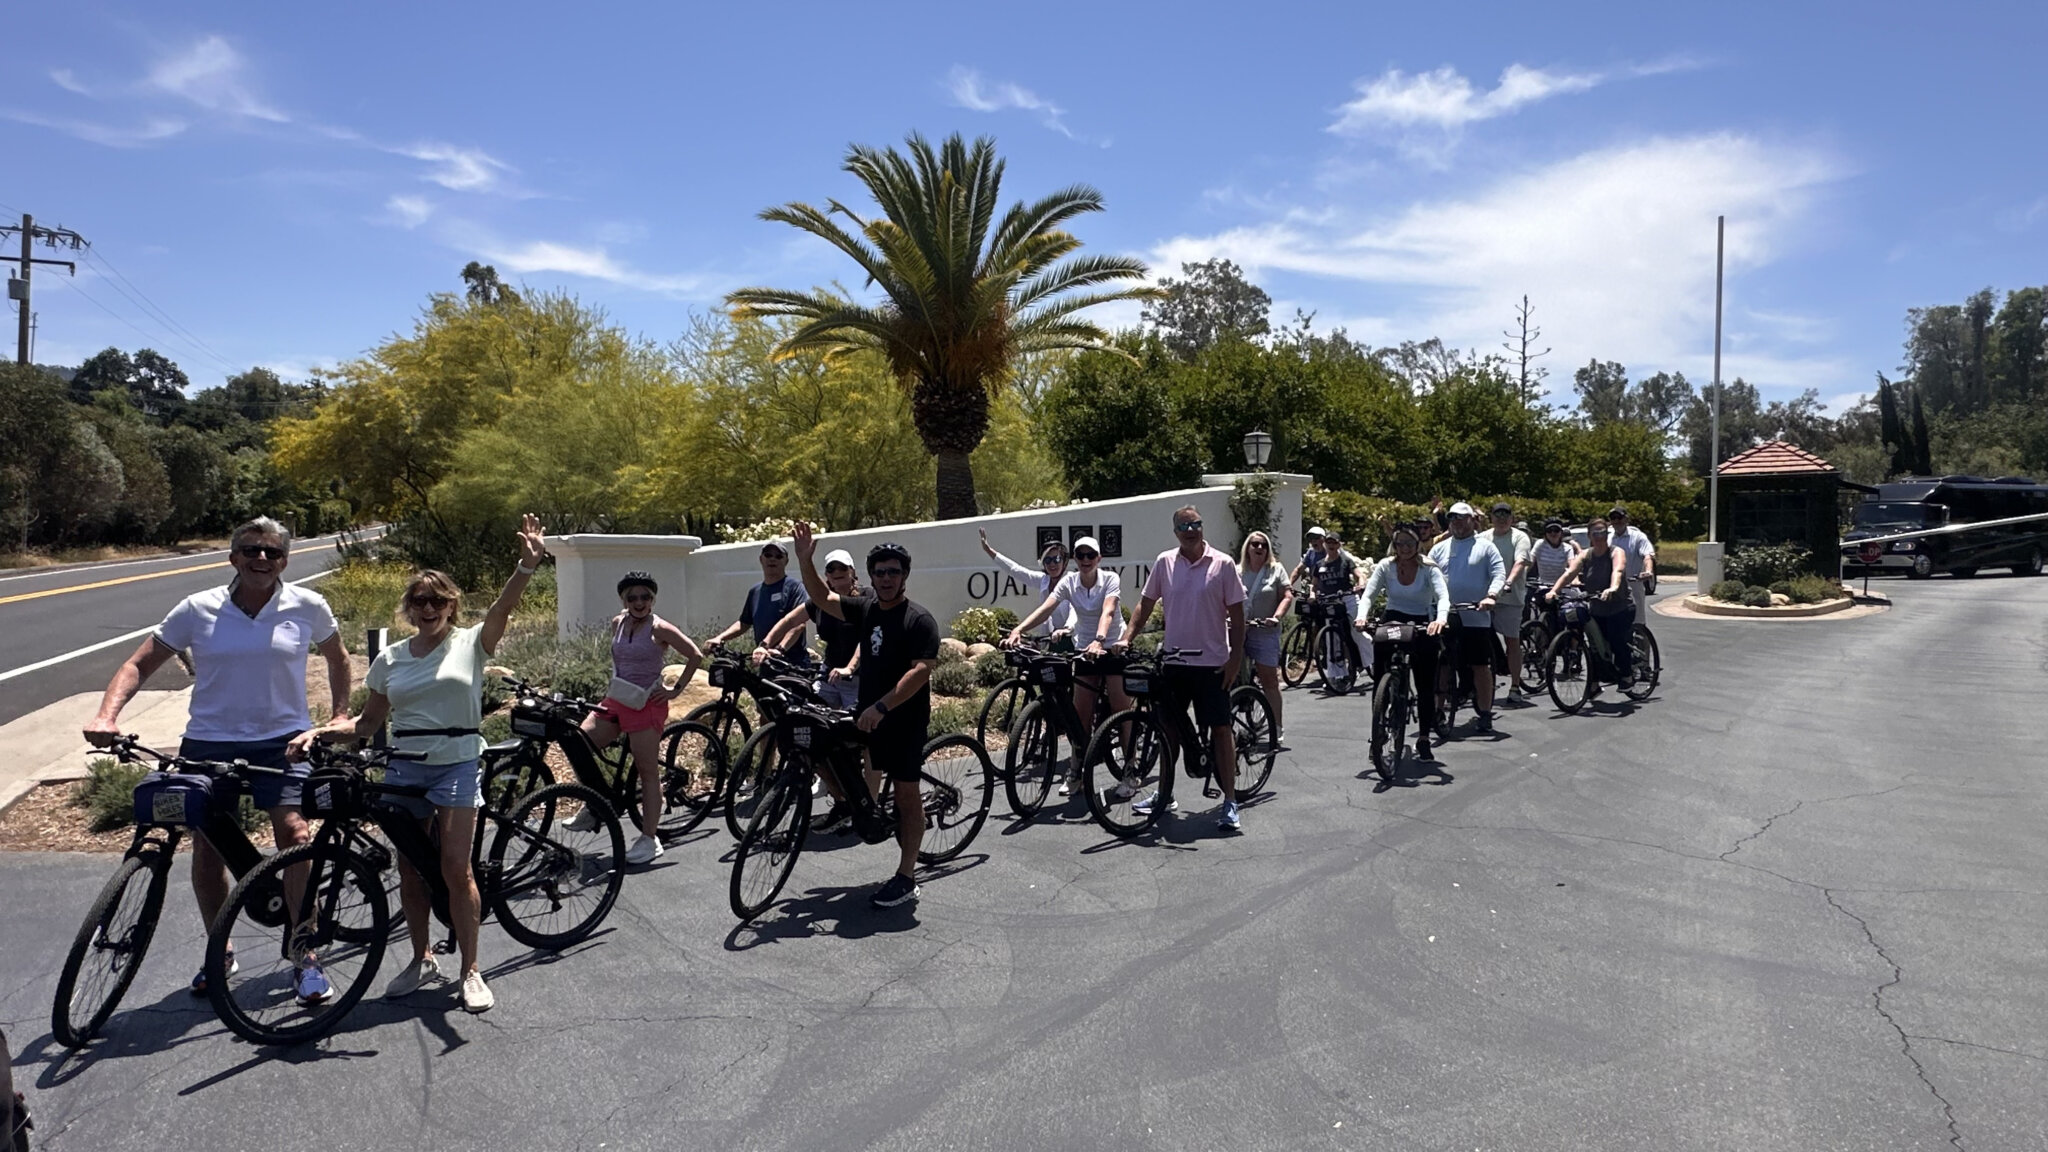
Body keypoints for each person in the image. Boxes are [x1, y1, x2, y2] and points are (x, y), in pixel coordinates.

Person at [85, 516, 350, 1002]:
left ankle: (304, 952)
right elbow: (138, 663)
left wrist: (336, 717)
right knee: (208, 852)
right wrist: (107, 716)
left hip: (283, 740)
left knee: (294, 834)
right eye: (251, 550)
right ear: (233, 557)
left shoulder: (307, 606)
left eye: (271, 551)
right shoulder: (197, 608)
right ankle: (219, 950)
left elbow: (338, 657)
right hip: (208, 743)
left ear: (285, 561)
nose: (261, 558)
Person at [291, 514, 548, 1014]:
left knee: (456, 869)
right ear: (409, 608)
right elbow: (367, 725)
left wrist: (526, 566)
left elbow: (503, 606)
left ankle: (471, 969)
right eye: (419, 601)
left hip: (455, 763)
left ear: (451, 605)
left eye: (438, 600)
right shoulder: (391, 658)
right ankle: (422, 956)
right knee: (410, 870)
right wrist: (319, 731)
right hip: (404, 768)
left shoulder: (471, 643)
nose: (428, 608)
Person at [791, 523, 941, 908]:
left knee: (906, 794)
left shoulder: (919, 619)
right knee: (829, 745)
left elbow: (920, 671)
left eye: (894, 571)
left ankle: (907, 877)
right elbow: (822, 598)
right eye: (880, 571)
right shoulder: (867, 608)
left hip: (902, 719)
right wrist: (804, 560)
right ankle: (852, 807)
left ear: (904, 575)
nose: (887, 578)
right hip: (868, 714)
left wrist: (882, 706)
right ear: (870, 575)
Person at [1119, 506, 1248, 833]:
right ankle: (1165, 794)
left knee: (1220, 729)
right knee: (1167, 732)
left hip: (1211, 664)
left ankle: (1230, 802)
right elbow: (1145, 603)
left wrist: (1235, 659)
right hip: (1174, 663)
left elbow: (1236, 613)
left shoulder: (1223, 564)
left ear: (1202, 527)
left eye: (1196, 524)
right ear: (1175, 531)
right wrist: (1126, 637)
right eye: (1184, 526)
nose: (1191, 530)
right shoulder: (1165, 562)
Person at [572, 570, 703, 865]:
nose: (639, 602)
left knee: (647, 772)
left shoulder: (661, 629)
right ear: (624, 600)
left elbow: (694, 655)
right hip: (617, 698)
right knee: (579, 743)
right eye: (632, 597)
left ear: (653, 598)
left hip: (646, 702)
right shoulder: (618, 623)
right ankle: (594, 805)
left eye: (645, 596)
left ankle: (649, 839)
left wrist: (674, 691)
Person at [1003, 535, 1130, 792]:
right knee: (1079, 712)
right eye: (1080, 555)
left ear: (1099, 559)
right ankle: (1076, 770)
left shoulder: (1110, 579)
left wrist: (1100, 640)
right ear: (1074, 559)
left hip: (1112, 644)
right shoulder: (1069, 582)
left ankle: (1130, 770)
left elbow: (1108, 611)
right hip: (1086, 648)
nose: (1085, 560)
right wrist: (1018, 629)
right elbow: (1047, 608)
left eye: (1090, 555)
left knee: (1120, 708)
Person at [1354, 526, 1450, 759]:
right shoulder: (1386, 566)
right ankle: (1379, 730)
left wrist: (1439, 619)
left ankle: (1424, 737)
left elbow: (1443, 596)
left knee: (1425, 682)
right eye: (1400, 544)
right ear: (1394, 546)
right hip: (1392, 619)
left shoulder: (1429, 568)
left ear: (1418, 545)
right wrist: (1361, 615)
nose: (1405, 548)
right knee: (1380, 680)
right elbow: (1369, 594)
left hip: (1421, 622)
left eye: (1410, 543)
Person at [1427, 502, 1505, 733]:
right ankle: (1438, 709)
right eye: (1452, 518)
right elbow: (1426, 574)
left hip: (1475, 616)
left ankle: (1484, 711)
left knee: (1480, 665)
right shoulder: (1439, 548)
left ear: (1472, 520)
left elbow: (1498, 573)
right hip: (1444, 616)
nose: (1457, 522)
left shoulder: (1486, 547)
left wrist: (1491, 596)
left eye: (1461, 518)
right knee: (1441, 664)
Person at [760, 548, 862, 710]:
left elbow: (867, 638)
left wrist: (849, 668)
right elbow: (790, 619)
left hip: (858, 679)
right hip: (830, 676)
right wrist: (764, 645)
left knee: (857, 729)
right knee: (813, 717)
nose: (837, 572)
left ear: (852, 571)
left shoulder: (865, 599)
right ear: (826, 575)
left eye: (842, 567)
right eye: (831, 568)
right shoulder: (820, 602)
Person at [1546, 516, 1634, 693]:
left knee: (1617, 640)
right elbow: (1570, 573)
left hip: (1619, 606)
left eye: (1602, 532)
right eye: (1595, 533)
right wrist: (1554, 591)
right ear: (1589, 536)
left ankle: (1627, 675)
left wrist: (1613, 588)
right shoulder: (1586, 555)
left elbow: (1618, 570)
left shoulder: (1615, 552)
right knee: (1593, 644)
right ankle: (1593, 685)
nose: (1599, 536)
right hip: (1596, 607)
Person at [1237, 530, 1294, 752]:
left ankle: (1276, 728)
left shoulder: (1275, 570)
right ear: (1247, 548)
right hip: (1240, 630)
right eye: (1254, 544)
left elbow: (1287, 596)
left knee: (1269, 680)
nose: (1259, 548)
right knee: (1229, 675)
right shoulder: (1237, 570)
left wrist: (1276, 617)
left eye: (1262, 545)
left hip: (1264, 630)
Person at [709, 541, 809, 662]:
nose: (773, 559)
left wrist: (780, 649)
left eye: (778, 556)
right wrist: (719, 638)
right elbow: (744, 623)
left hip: (792, 664)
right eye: (768, 555)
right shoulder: (755, 591)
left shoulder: (795, 587)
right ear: (761, 559)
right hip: (763, 661)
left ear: (786, 561)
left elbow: (798, 623)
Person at [980, 530, 1071, 639]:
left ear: (1064, 561)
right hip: (1053, 638)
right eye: (1047, 560)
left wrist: (1067, 629)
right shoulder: (1043, 580)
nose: (1052, 564)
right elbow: (1015, 570)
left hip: (1073, 636)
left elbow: (1074, 612)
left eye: (1056, 559)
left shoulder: (1071, 581)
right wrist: (989, 551)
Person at [1487, 502, 1534, 698]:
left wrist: (1507, 583)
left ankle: (1515, 686)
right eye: (1497, 515)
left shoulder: (1519, 537)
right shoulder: (1483, 537)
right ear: (1491, 518)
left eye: (1506, 515)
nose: (1502, 518)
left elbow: (1520, 562)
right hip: (1485, 598)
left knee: (1511, 641)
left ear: (1512, 518)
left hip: (1510, 596)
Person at [1608, 505, 1657, 618]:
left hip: (1633, 585)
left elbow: (1647, 555)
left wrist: (1648, 571)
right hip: (1613, 587)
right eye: (1613, 518)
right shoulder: (1608, 538)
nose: (1616, 521)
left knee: (1637, 621)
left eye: (1619, 518)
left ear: (1626, 519)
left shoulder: (1638, 537)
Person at [1531, 519, 1579, 588]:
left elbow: (1572, 566)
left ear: (1561, 532)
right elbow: (1530, 562)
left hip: (1562, 585)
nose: (1553, 533)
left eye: (1556, 530)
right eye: (1549, 531)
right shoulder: (1540, 544)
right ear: (1545, 533)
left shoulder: (1568, 548)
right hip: (1543, 585)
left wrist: (1575, 579)